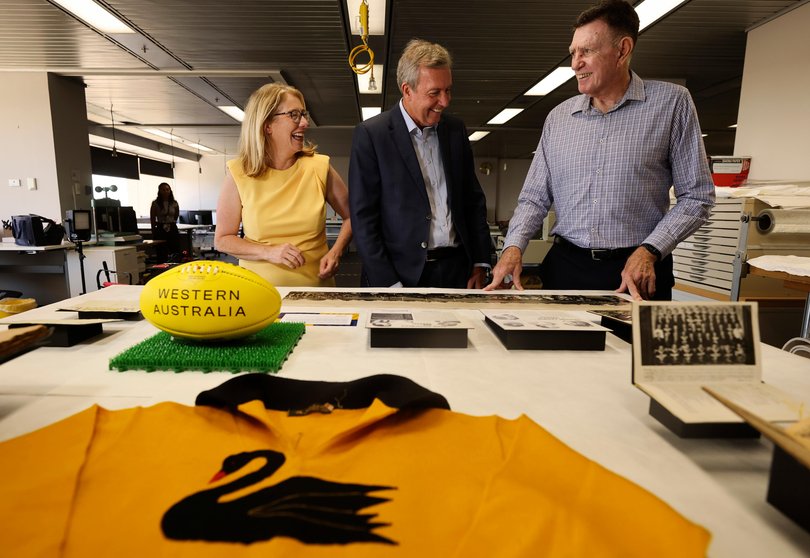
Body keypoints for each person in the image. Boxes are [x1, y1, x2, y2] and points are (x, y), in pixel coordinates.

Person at [486, 0, 715, 300]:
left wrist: (651, 249)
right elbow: (533, 198)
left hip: (637, 272)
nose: (575, 64)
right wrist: (513, 248)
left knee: (631, 349)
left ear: (622, 50)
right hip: (566, 269)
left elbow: (697, 196)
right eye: (573, 53)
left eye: (587, 52)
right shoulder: (559, 118)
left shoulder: (672, 104)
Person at [349, 39, 492, 289]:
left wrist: (480, 261)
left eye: (448, 90)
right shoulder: (373, 135)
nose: (445, 101)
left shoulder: (455, 131)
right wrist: (388, 284)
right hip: (398, 275)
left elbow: (473, 200)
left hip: (457, 272)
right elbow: (363, 219)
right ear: (407, 90)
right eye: (434, 93)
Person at [215, 83, 352, 287]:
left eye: (303, 114)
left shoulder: (319, 167)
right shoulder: (238, 174)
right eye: (294, 115)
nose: (305, 123)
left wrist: (335, 252)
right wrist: (269, 252)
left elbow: (353, 217)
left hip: (316, 293)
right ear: (267, 125)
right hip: (258, 294)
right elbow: (223, 239)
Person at [150, 182, 181, 262]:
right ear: (159, 191)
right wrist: (153, 231)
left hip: (172, 227)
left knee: (175, 249)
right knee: (161, 250)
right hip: (161, 228)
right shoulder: (155, 203)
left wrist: (171, 222)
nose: (165, 191)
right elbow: (153, 218)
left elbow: (176, 215)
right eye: (163, 190)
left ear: (170, 191)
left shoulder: (174, 203)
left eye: (167, 189)